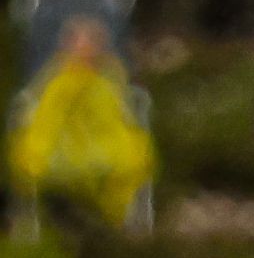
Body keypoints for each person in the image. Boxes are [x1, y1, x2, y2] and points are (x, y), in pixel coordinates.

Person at [8, 12, 151, 235]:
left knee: (127, 159)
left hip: (102, 138)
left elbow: (115, 110)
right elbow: (46, 111)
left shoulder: (109, 75)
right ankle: (56, 218)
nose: (84, 49)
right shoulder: (57, 75)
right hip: (60, 139)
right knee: (35, 158)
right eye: (79, 43)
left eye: (90, 43)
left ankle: (109, 222)